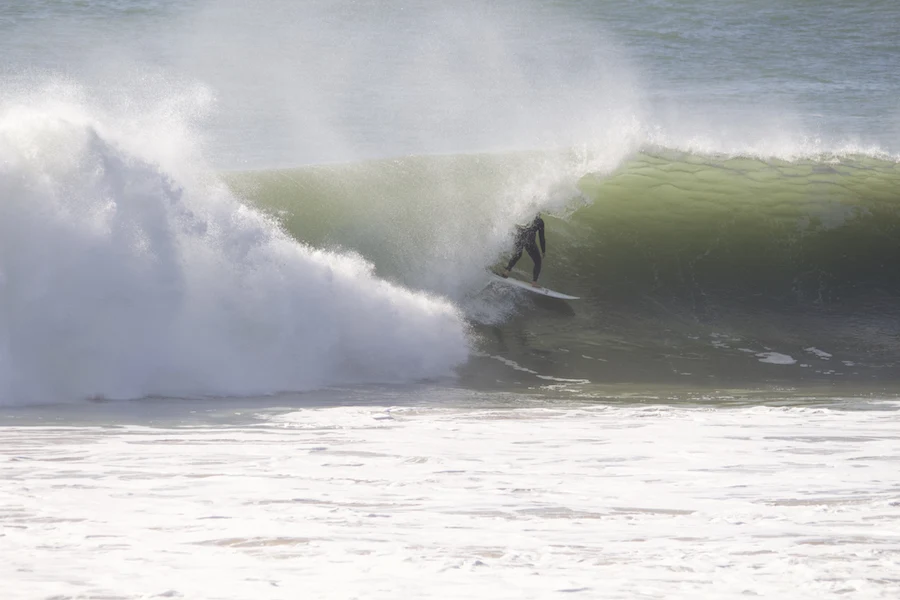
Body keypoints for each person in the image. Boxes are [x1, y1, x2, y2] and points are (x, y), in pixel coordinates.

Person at [501, 213, 546, 287]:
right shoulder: (539, 221)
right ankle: (534, 282)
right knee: (538, 261)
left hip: (518, 236)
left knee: (517, 254)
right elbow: (542, 238)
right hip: (529, 241)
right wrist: (543, 251)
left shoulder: (524, 216)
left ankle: (506, 271)